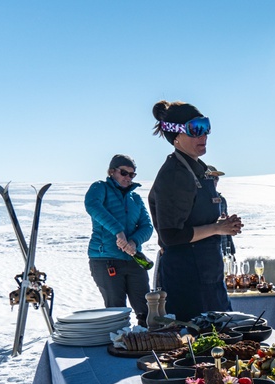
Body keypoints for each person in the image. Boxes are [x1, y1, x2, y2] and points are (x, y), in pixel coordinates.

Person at [148, 100, 243, 323]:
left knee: (223, 342)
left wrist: (221, 225)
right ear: (176, 136)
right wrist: (217, 228)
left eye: (205, 127)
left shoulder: (199, 170)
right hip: (189, 281)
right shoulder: (175, 174)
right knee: (200, 346)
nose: (204, 135)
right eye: (195, 129)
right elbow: (171, 235)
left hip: (209, 275)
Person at [84, 154, 154, 326]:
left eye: (132, 175)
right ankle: (118, 347)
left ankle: (147, 344)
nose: (128, 178)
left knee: (147, 310)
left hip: (133, 258)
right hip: (105, 259)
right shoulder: (100, 188)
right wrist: (118, 231)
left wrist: (134, 242)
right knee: (116, 312)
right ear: (111, 172)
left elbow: (147, 226)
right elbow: (92, 206)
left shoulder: (135, 198)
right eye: (124, 173)